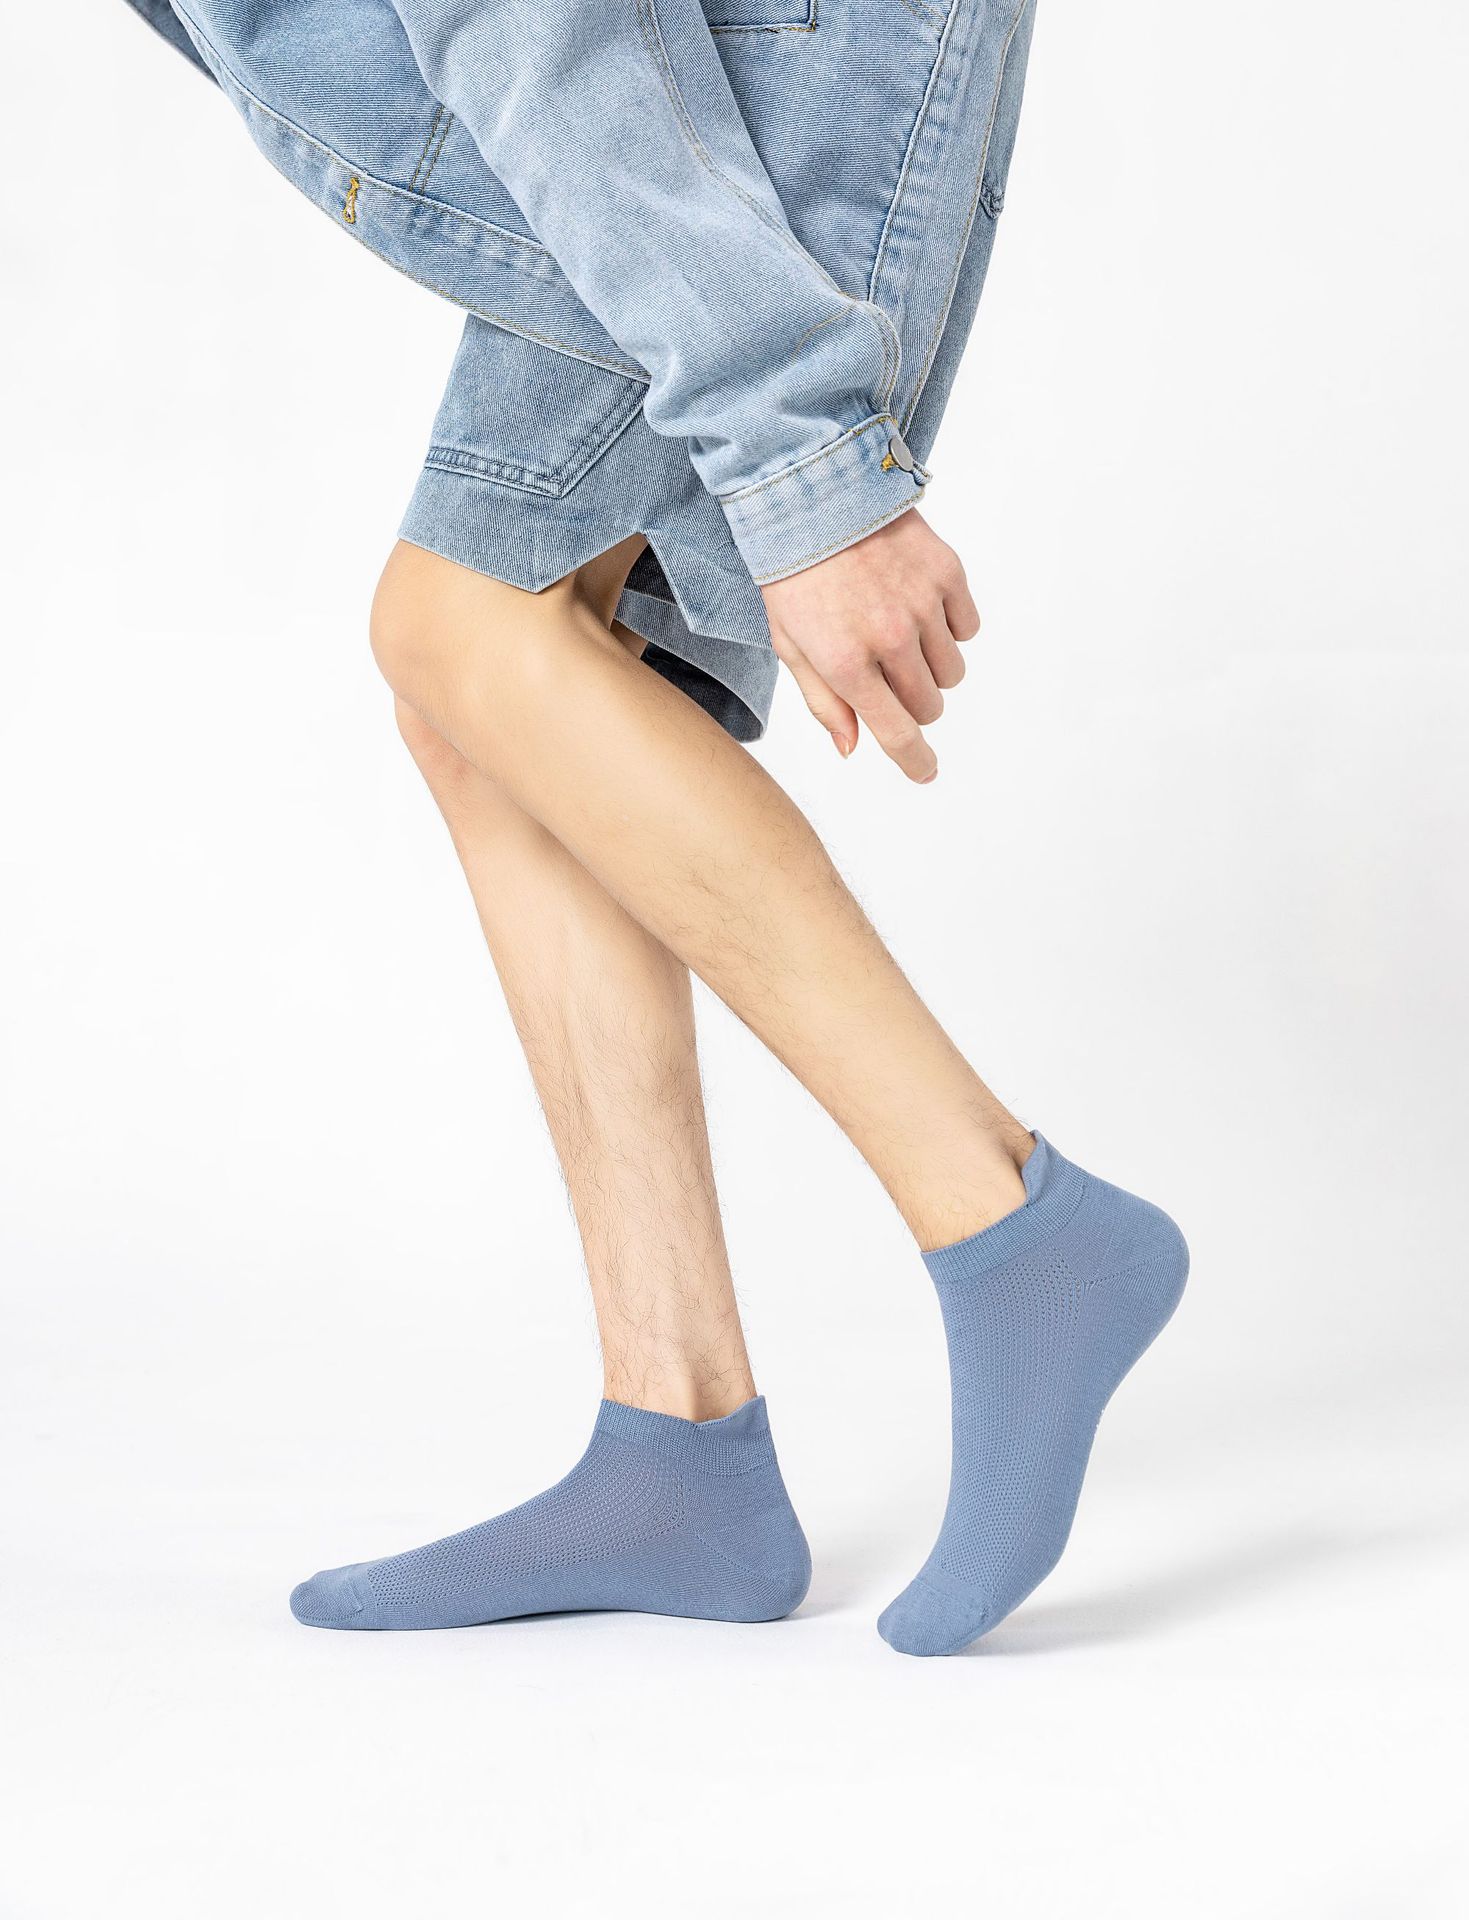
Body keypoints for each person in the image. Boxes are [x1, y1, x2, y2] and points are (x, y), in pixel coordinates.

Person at [125, 0, 1188, 1656]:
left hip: (678, 93)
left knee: (474, 630)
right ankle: (675, 1448)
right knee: (488, 699)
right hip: (644, 100)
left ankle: (1010, 1222)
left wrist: (801, 456)